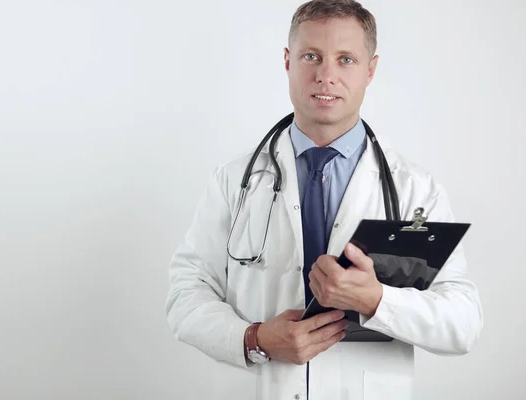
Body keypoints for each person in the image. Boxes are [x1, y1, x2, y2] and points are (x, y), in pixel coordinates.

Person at [165, 1, 483, 399]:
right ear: (287, 61)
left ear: (370, 70)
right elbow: (185, 293)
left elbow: (464, 323)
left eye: (346, 59)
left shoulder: (415, 191)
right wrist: (254, 338)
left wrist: (376, 299)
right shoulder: (234, 181)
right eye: (311, 56)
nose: (326, 75)